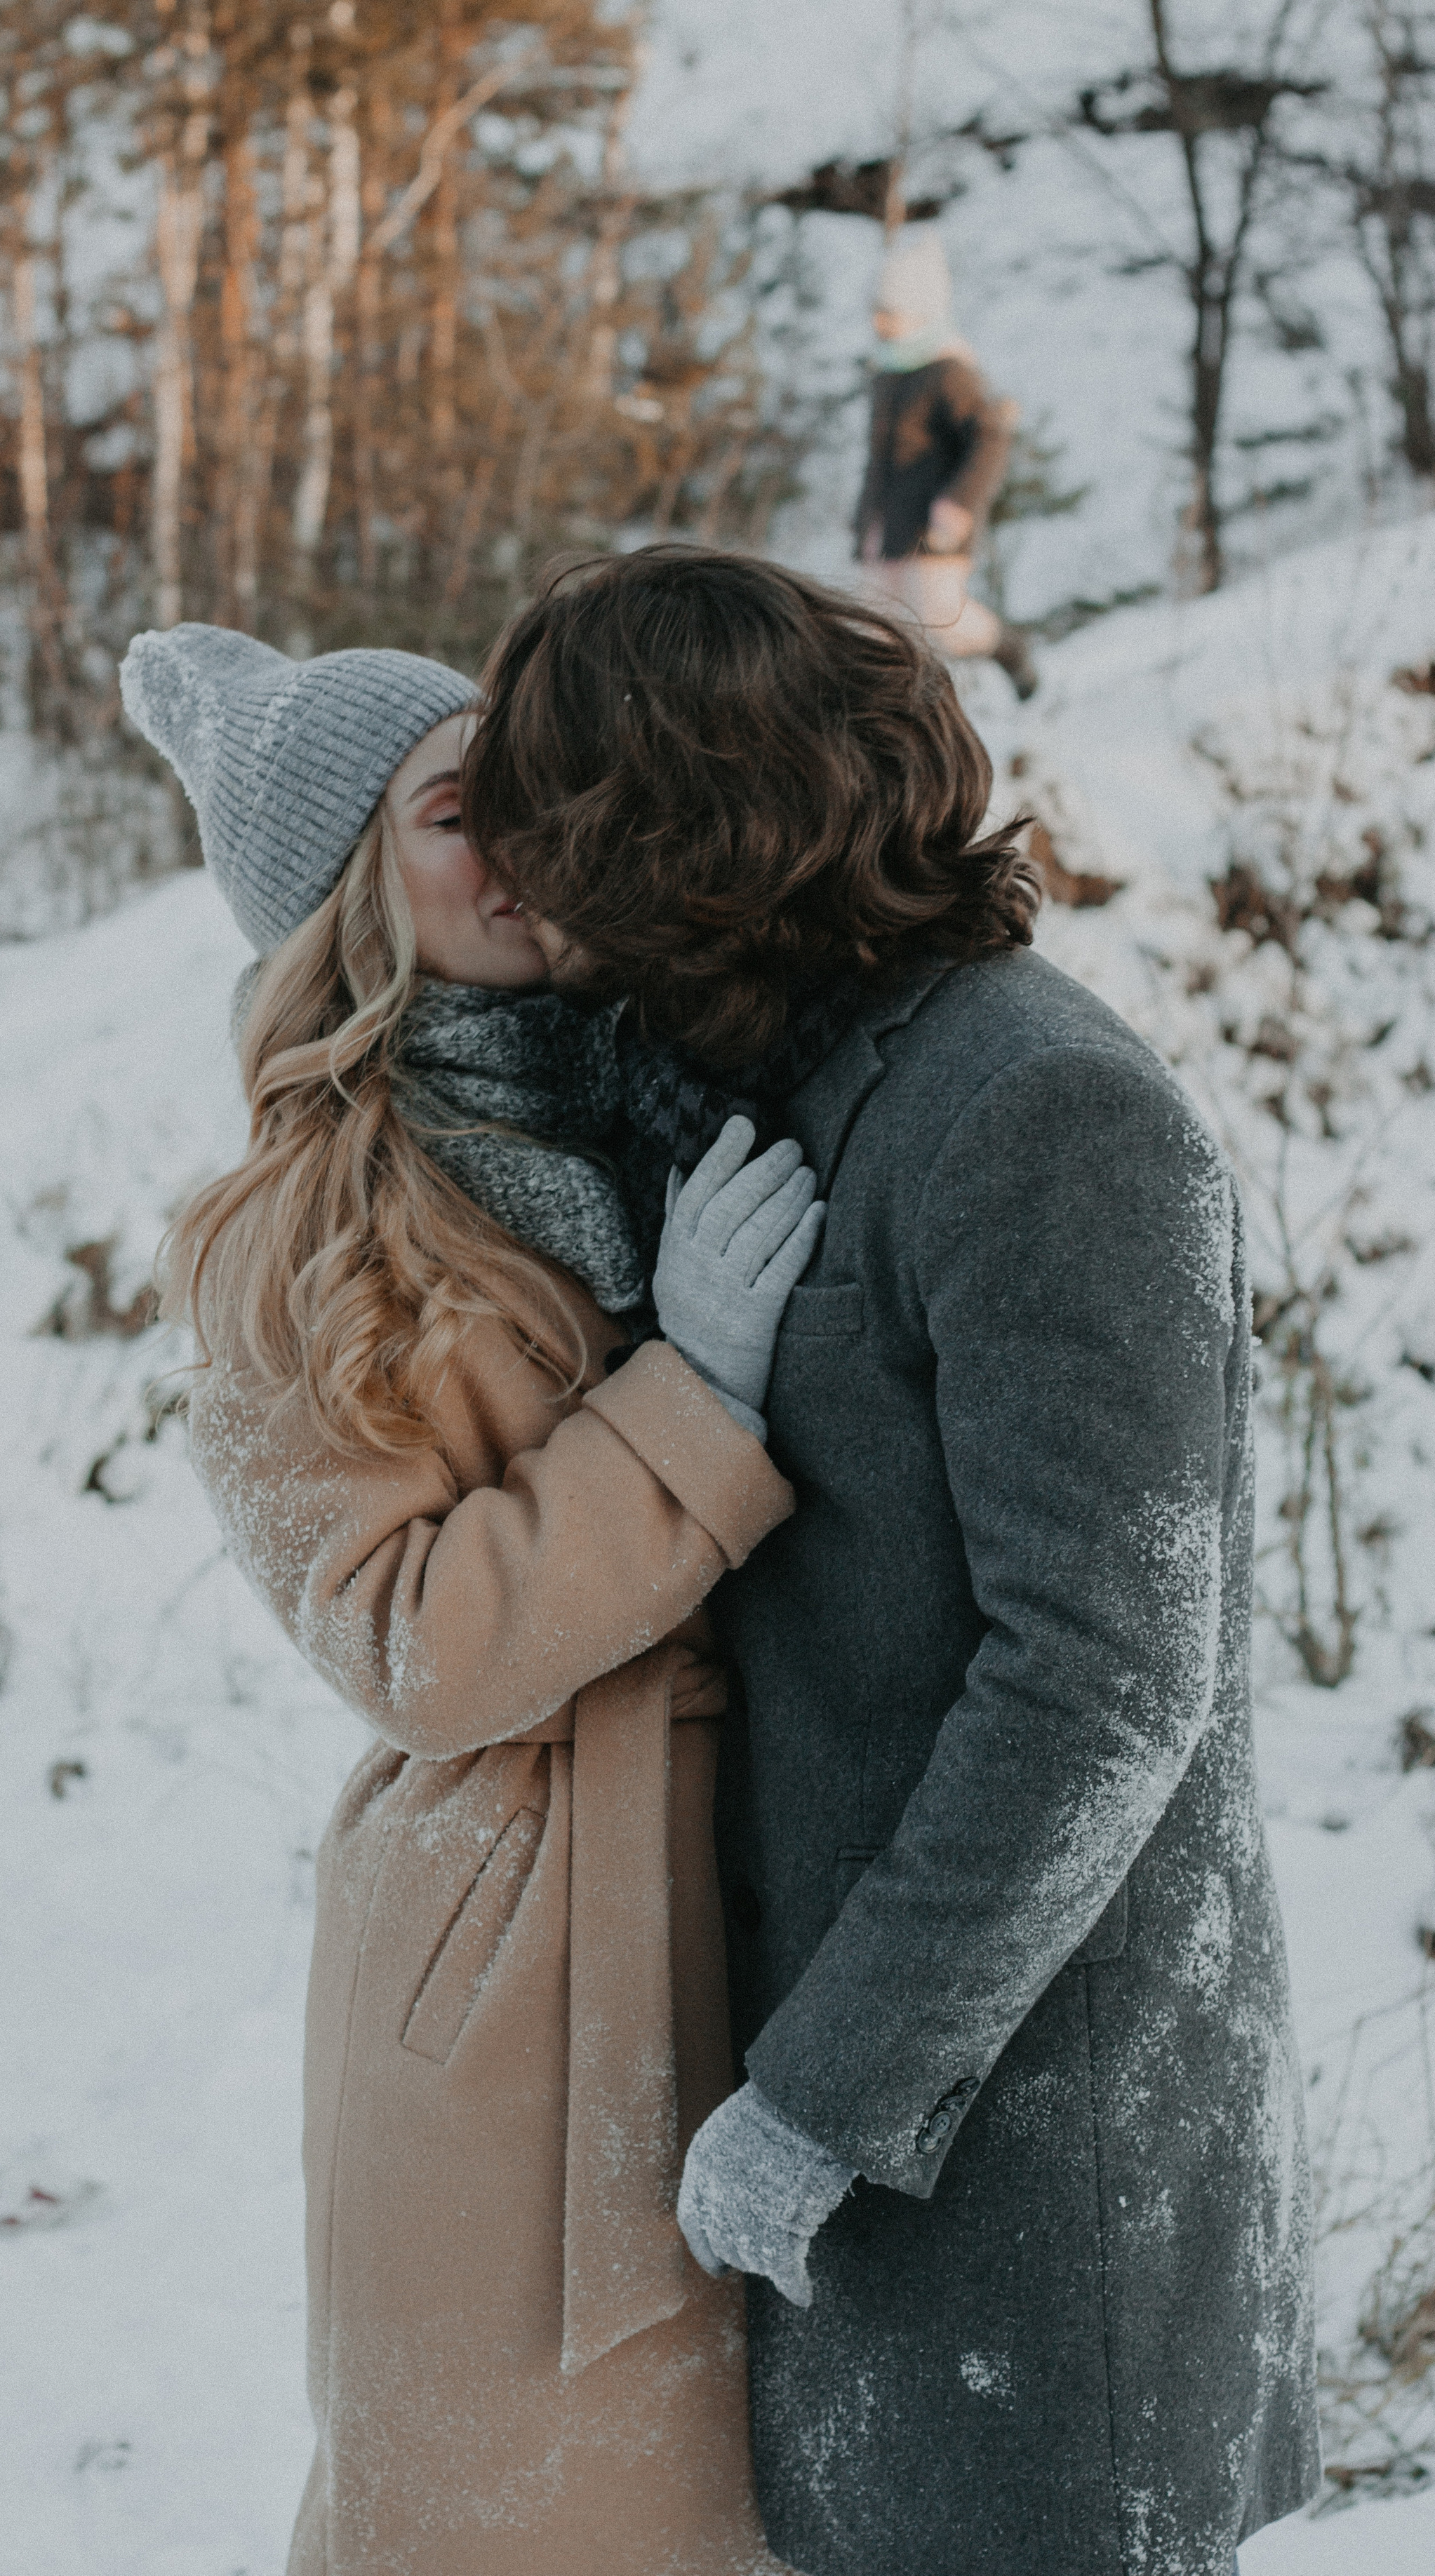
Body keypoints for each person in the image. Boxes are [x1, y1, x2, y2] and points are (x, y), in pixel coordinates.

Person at [461, 546, 1320, 2576]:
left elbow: (1108, 1682)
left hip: (1035, 2159)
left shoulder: (1047, 1117)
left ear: (688, 836)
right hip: (865, 2133)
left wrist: (825, 2099)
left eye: (563, 833)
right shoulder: (778, 1080)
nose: (533, 892)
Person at [120, 622, 823, 2576]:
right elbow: (411, 1645)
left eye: (529, 787)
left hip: (778, 1907)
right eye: (455, 807)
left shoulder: (674, 1090)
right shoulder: (297, 1239)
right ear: (351, 885)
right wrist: (690, 1394)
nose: (519, 836)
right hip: (518, 1976)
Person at [857, 225, 1038, 701]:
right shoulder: (888, 371)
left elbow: (991, 438)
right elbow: (880, 459)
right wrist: (866, 521)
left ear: (918, 312)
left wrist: (958, 504)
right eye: (876, 312)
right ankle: (891, 712)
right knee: (877, 626)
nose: (880, 322)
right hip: (888, 525)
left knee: (940, 616)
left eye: (889, 313)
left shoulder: (950, 371)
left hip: (936, 522)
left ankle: (1008, 649)